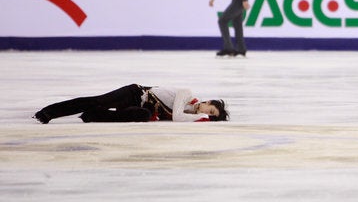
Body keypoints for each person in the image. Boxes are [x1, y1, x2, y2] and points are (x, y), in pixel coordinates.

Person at [33, 84, 229, 123]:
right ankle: (48, 113)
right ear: (208, 101)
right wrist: (201, 116)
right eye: (209, 110)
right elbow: (177, 117)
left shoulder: (189, 112)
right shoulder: (187, 94)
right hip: (134, 93)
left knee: (142, 116)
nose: (206, 114)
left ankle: (94, 115)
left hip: (141, 107)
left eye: (210, 116)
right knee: (96, 101)